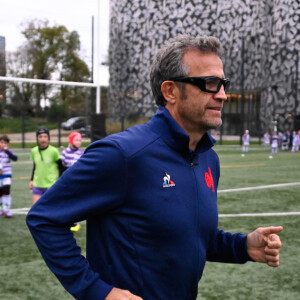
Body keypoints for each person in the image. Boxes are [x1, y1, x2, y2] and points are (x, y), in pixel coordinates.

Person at [26, 35, 283, 300]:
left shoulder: (209, 159)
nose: (223, 95)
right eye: (210, 83)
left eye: (223, 84)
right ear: (170, 91)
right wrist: (98, 292)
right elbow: (44, 218)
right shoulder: (122, 154)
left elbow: (190, 237)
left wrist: (243, 247)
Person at [28, 127, 62, 205]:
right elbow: (35, 166)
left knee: (51, 210)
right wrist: (31, 180)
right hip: (37, 184)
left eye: (45, 136)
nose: (43, 139)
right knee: (35, 209)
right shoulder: (34, 151)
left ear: (48, 138)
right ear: (37, 138)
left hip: (51, 185)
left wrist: (59, 181)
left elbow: (61, 167)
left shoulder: (54, 151)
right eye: (40, 137)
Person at [61, 131, 84, 232]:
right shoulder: (65, 152)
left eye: (80, 140)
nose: (79, 142)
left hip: (77, 182)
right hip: (67, 182)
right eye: (76, 140)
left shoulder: (81, 153)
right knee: (66, 201)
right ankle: (67, 220)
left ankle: (76, 222)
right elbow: (62, 166)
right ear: (71, 141)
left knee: (76, 202)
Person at [0, 135, 18, 217]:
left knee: (6, 190)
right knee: (0, 192)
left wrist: (6, 151)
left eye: (5, 143)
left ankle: (7, 209)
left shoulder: (9, 152)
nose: (3, 144)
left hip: (7, 175)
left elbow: (15, 158)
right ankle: (1, 209)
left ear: (8, 144)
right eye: (1, 142)